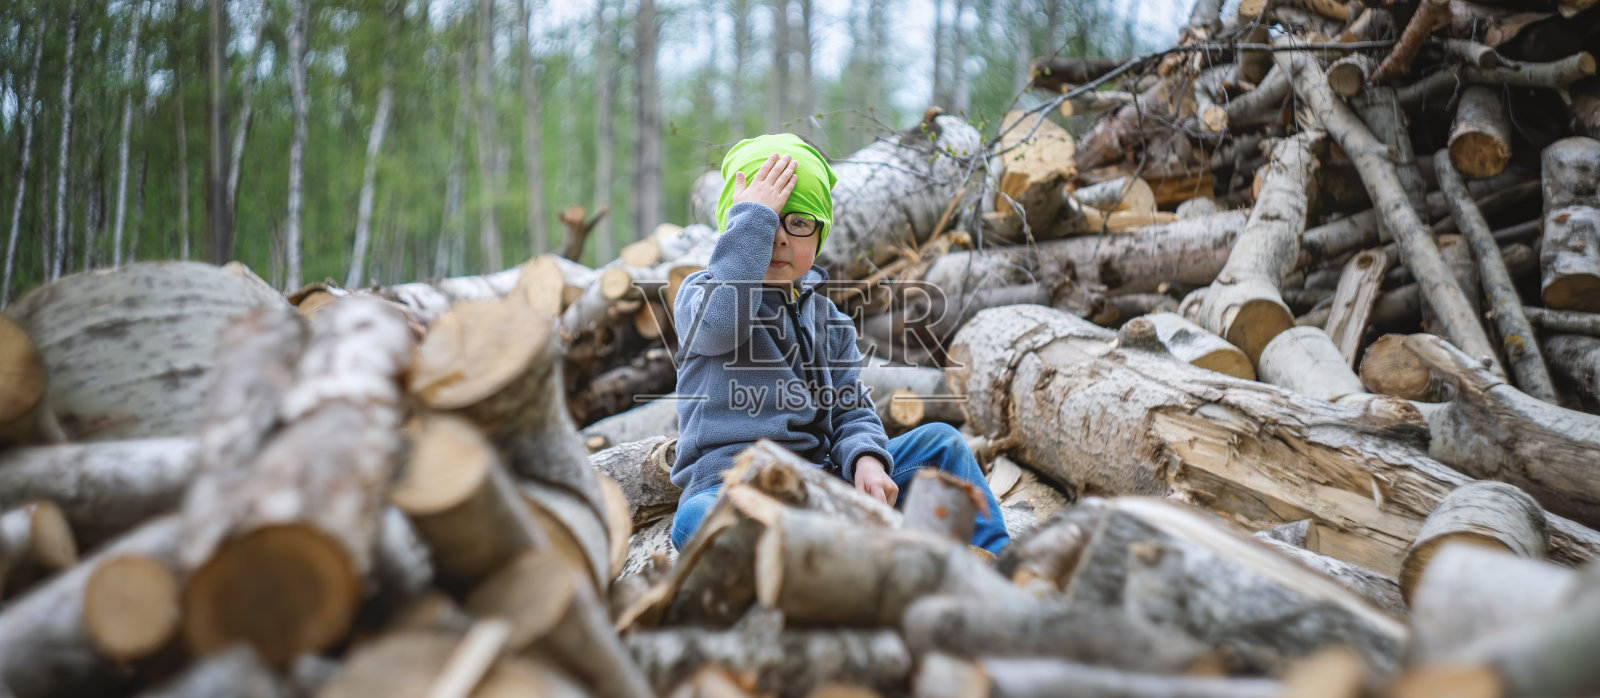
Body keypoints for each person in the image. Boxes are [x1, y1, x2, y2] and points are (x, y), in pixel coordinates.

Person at [666, 133, 1010, 554]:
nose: (777, 237)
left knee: (940, 443)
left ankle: (999, 563)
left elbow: (851, 408)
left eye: (798, 222)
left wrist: (866, 457)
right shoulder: (700, 294)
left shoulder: (830, 321)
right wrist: (750, 224)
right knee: (694, 520)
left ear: (819, 234)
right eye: (764, 220)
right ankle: (813, 575)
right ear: (734, 229)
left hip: (821, 482)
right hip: (729, 486)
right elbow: (720, 325)